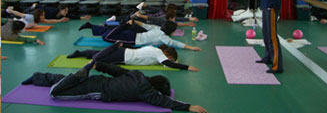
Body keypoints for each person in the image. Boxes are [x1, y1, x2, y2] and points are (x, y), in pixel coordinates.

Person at [21, 62, 207, 113]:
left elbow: (116, 70)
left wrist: (98, 65)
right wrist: (189, 106)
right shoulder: (146, 92)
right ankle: (73, 76)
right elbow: (163, 100)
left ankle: (38, 76)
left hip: (97, 79)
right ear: (155, 88)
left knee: (61, 79)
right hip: (94, 92)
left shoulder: (138, 75)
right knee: (55, 94)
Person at [67, 42, 199, 71]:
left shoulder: (154, 48)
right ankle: (87, 57)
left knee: (103, 53)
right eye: (170, 58)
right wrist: (187, 67)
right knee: (99, 58)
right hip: (124, 56)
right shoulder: (159, 54)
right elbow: (169, 64)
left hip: (125, 53)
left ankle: (81, 53)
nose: (168, 61)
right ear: (167, 54)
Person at [79, 20, 200, 51]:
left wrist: (136, 22)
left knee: (109, 31)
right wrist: (190, 47)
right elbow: (175, 43)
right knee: (106, 36)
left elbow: (147, 26)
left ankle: (91, 26)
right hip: (132, 39)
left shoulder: (158, 28)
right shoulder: (164, 37)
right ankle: (123, 24)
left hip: (133, 33)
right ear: (170, 31)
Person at [25, 4, 91, 23]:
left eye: (67, 11)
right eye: (65, 10)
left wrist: (83, 18)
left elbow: (72, 16)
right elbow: (37, 6)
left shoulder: (62, 15)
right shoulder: (51, 10)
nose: (66, 12)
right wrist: (33, 6)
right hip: (30, 12)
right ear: (61, 10)